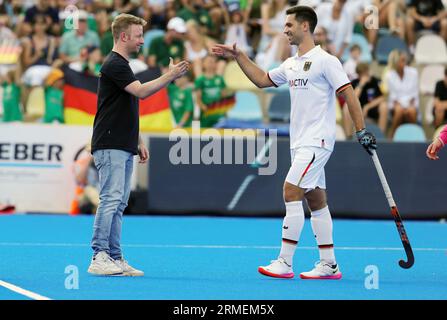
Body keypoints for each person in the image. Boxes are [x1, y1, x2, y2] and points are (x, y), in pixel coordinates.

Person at [212, 5, 376, 280]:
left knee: (291, 190)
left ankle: (285, 262)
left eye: (289, 25)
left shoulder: (327, 60)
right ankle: (329, 264)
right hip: (300, 142)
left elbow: (349, 95)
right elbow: (263, 80)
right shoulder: (290, 64)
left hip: (318, 140)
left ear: (304, 26)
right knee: (316, 198)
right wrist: (240, 56)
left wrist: (360, 130)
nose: (284, 29)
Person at [88, 13, 189, 276]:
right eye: (138, 36)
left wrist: (138, 139)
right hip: (110, 143)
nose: (142, 41)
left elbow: (126, 107)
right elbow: (142, 93)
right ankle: (99, 256)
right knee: (110, 199)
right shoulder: (115, 64)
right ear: (124, 37)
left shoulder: (122, 65)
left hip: (122, 142)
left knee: (119, 202)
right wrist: (171, 75)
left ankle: (115, 256)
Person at [344, 62, 388, 137]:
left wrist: (368, 107)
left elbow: (381, 98)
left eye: (367, 72)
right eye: (363, 73)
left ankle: (381, 135)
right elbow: (352, 99)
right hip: (357, 109)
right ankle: (348, 136)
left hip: (371, 108)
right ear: (359, 74)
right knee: (346, 107)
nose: (366, 75)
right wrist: (361, 84)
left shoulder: (374, 81)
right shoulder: (354, 83)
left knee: (384, 106)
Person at [385, 49, 419, 138]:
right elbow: (393, 96)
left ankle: (415, 135)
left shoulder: (413, 72)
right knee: (399, 111)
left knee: (411, 111)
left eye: (405, 60)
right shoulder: (389, 75)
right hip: (396, 104)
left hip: (411, 103)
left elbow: (414, 93)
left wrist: (407, 107)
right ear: (395, 62)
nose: (405, 62)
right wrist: (402, 107)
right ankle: (393, 135)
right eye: (402, 60)